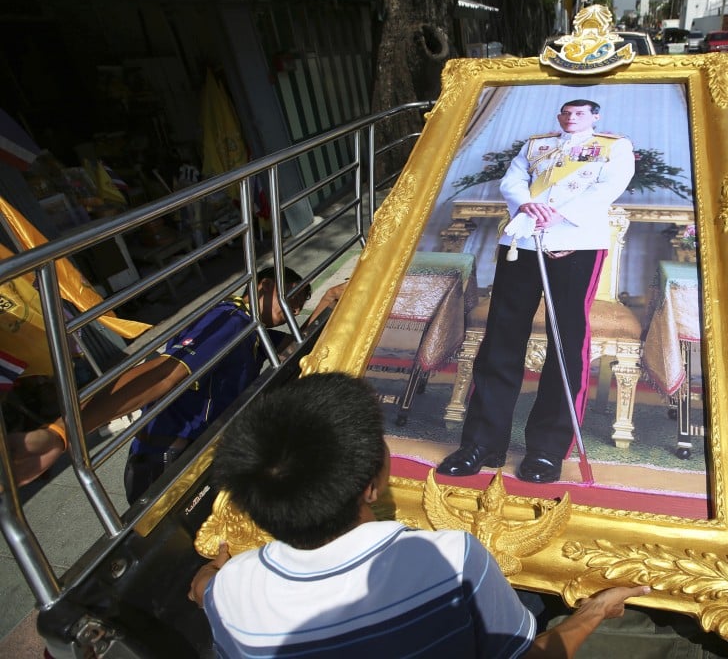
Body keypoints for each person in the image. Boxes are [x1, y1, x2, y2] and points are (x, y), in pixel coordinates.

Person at [188, 373, 648, 658]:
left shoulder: (228, 591)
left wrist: (217, 576)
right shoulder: (451, 560)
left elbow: (209, 588)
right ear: (373, 482)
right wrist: (591, 613)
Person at [6, 266, 346, 500]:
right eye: (297, 295)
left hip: (183, 456)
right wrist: (64, 433)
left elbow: (296, 349)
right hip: (164, 461)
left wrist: (330, 300)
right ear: (263, 285)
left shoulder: (253, 333)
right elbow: (163, 373)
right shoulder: (231, 319)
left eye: (303, 302)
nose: (298, 308)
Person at [438, 99, 635, 483]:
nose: (572, 117)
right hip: (523, 242)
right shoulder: (536, 145)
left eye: (580, 113)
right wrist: (528, 204)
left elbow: (609, 186)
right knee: (501, 340)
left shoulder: (614, 147)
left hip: (576, 244)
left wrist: (558, 213)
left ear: (596, 116)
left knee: (564, 345)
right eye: (567, 112)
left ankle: (546, 449)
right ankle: (482, 443)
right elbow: (512, 180)